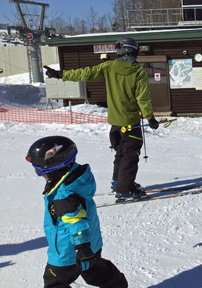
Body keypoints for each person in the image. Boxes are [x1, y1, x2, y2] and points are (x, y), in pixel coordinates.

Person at [44, 37, 159, 201]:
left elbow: (85, 73)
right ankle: (125, 190)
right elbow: (143, 98)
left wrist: (61, 74)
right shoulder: (137, 72)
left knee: (120, 153)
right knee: (130, 155)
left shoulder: (109, 67)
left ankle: (118, 182)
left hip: (115, 123)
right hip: (131, 123)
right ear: (134, 50)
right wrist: (150, 117)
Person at [25, 135, 128, 288]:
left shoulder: (64, 195)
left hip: (68, 252)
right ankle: (116, 284)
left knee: (54, 282)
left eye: (39, 171)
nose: (40, 175)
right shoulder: (77, 178)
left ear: (55, 167)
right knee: (94, 271)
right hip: (90, 245)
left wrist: (82, 248)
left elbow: (76, 222)